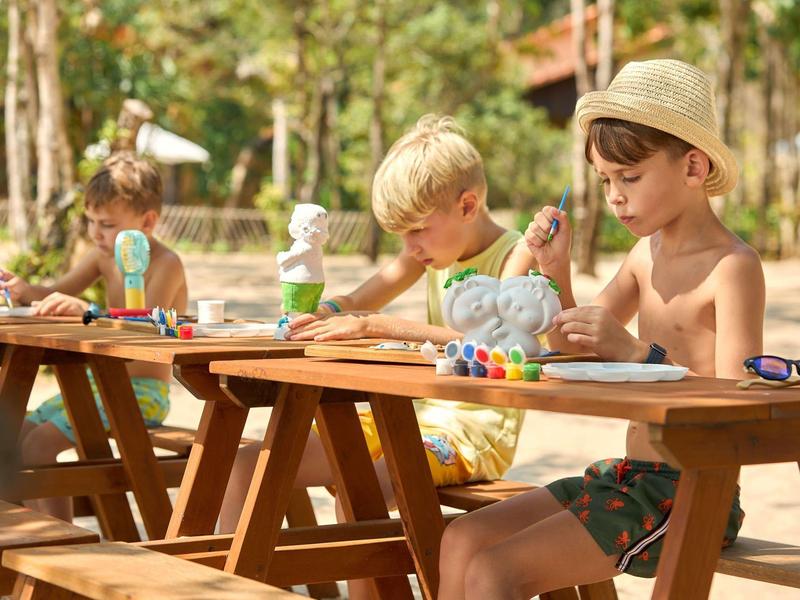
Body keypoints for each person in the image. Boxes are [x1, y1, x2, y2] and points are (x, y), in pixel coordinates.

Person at [436, 59, 765, 599]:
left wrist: (642, 356)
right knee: (462, 539)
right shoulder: (643, 255)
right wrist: (555, 273)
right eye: (605, 179)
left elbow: (739, 405)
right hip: (629, 475)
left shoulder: (732, 266)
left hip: (690, 491)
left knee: (496, 572)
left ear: (693, 167)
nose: (614, 196)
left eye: (629, 178)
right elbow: (572, 341)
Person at [220, 116, 535, 591]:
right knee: (250, 464)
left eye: (418, 231)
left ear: (467, 205)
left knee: (360, 488)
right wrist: (321, 311)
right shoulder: (430, 249)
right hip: (411, 416)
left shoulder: (516, 257)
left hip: (474, 433)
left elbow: (497, 348)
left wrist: (375, 325)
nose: (410, 247)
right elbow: (360, 299)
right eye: (402, 235)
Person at [2, 152, 188, 521]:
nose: (95, 233)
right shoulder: (102, 256)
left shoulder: (166, 264)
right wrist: (24, 288)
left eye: (106, 224)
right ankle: (27, 533)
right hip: (98, 384)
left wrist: (88, 311)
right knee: (12, 429)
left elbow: (145, 329)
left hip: (144, 392)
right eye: (90, 222)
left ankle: (58, 540)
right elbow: (55, 292)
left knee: (38, 445)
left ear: (147, 222)